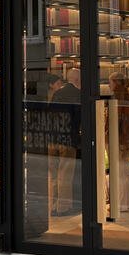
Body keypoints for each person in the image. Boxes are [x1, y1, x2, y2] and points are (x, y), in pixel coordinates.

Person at [48, 69, 80, 216]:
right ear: (78, 80)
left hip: (52, 138)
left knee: (54, 175)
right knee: (65, 174)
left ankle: (54, 206)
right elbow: (79, 118)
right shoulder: (78, 94)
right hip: (68, 139)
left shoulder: (57, 93)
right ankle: (63, 207)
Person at [108, 71, 129, 212]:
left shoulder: (118, 97)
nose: (108, 85)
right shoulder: (128, 96)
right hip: (127, 139)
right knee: (126, 171)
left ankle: (121, 203)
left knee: (120, 172)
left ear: (115, 82)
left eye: (110, 82)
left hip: (120, 139)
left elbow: (118, 121)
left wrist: (114, 137)